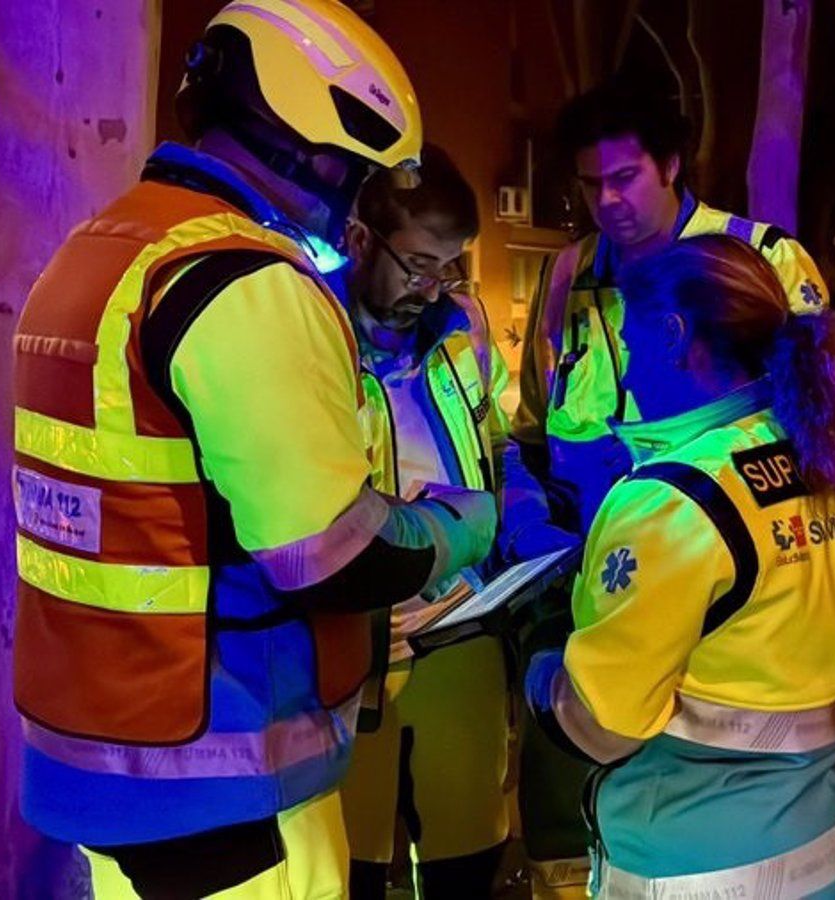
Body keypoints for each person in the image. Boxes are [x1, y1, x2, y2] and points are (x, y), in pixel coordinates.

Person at [10, 3, 496, 897]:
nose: (356, 199)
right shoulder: (247, 282)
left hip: (106, 753)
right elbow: (330, 558)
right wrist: (455, 531)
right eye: (360, 174)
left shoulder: (97, 255)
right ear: (316, 149)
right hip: (223, 775)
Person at [503, 79, 833, 898]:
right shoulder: (570, 275)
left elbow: (814, 434)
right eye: (588, 184)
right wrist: (528, 520)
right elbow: (534, 422)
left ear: (674, 165)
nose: (605, 201)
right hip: (588, 583)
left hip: (723, 606)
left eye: (624, 179)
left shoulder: (759, 261)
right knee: (561, 805)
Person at [524, 234, 835, 899]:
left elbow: (602, 728)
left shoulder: (673, 498)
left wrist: (543, 665)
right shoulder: (823, 460)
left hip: (700, 864)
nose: (626, 377)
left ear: (674, 334)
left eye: (629, 348)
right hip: (834, 845)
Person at [336, 145, 512, 899]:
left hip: (463, 628)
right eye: (417, 265)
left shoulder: (462, 328)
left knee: (466, 863)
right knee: (352, 869)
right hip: (352, 652)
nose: (433, 287)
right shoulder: (310, 338)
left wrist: (527, 526)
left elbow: (498, 443)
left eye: (451, 265)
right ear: (358, 239)